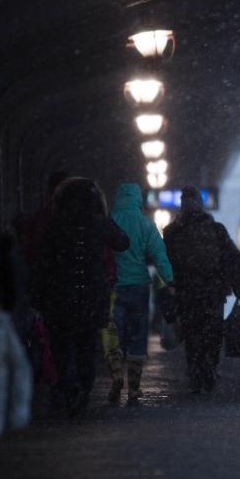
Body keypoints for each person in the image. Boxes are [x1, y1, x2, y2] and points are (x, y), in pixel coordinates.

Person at [31, 178, 129, 416]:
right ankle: (84, 389)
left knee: (62, 346)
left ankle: (68, 384)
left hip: (61, 293)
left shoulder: (56, 224)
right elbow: (123, 242)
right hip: (92, 293)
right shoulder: (98, 222)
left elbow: (43, 261)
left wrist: (38, 295)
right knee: (87, 345)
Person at [163, 186, 240, 393]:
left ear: (182, 205)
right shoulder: (216, 229)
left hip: (187, 293)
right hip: (213, 292)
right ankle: (210, 366)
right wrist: (238, 286)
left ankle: (195, 370)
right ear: (200, 204)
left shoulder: (173, 231)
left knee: (192, 334)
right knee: (213, 332)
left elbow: (165, 262)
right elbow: (234, 260)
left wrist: (170, 288)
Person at [109, 183, 173, 405]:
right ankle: (134, 388)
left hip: (114, 287)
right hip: (139, 287)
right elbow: (159, 254)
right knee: (137, 335)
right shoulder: (146, 224)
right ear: (138, 199)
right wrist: (170, 280)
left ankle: (117, 376)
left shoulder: (110, 220)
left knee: (113, 334)